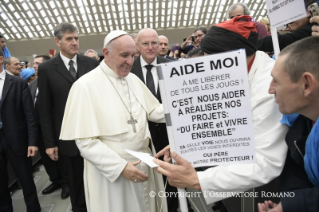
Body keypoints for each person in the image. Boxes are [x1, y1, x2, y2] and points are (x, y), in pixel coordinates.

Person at [154, 15, 288, 208]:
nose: (208, 71)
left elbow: (265, 162)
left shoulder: (267, 88)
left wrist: (197, 180)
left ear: (233, 56)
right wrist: (189, 144)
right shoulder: (239, 70)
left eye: (211, 63)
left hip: (266, 191)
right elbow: (229, 124)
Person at [59, 30, 167, 212]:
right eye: (124, 55)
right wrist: (120, 167)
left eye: (133, 55)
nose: (131, 62)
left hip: (144, 162)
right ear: (106, 53)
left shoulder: (132, 79)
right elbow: (85, 142)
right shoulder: (84, 86)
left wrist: (185, 107)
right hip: (113, 172)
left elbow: (154, 111)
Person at [38, 22, 99, 212]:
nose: (74, 42)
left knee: (98, 178)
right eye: (69, 39)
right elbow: (45, 109)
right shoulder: (47, 68)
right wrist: (49, 143)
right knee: (75, 181)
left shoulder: (91, 64)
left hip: (95, 133)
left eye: (76, 38)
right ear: (57, 41)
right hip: (67, 137)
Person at [258, 36, 319, 212]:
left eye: (276, 80)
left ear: (307, 84)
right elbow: (296, 172)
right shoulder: (301, 123)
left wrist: (295, 204)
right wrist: (287, 204)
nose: (270, 89)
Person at [131, 28, 179, 212]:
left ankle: (174, 208)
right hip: (143, 135)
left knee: (171, 176)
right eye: (145, 43)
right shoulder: (129, 70)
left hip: (170, 134)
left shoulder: (171, 66)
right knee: (148, 177)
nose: (151, 47)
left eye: (154, 43)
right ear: (137, 45)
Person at [0, 48, 41, 212]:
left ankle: (33, 209)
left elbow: (29, 115)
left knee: (25, 179)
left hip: (17, 138)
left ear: (1, 59)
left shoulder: (18, 83)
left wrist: (32, 142)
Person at [29, 54, 70, 199]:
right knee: (47, 159)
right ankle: (55, 180)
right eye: (33, 63)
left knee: (61, 157)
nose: (34, 66)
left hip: (55, 126)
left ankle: (67, 183)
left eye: (37, 63)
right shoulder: (33, 84)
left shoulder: (55, 80)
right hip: (40, 129)